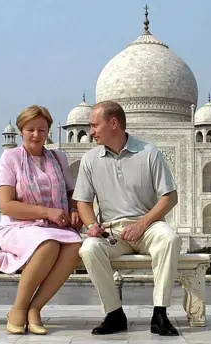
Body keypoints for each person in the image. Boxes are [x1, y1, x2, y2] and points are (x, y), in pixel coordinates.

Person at [73, 100, 182, 337]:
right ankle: (114, 314)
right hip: (112, 232)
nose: (90, 132)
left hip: (149, 226)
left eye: (94, 125)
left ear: (113, 123)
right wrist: (91, 225)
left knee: (170, 239)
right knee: (89, 249)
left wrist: (142, 224)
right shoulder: (90, 160)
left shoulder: (149, 153)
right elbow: (82, 201)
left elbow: (169, 197)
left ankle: (160, 313)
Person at [0, 105, 83, 335]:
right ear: (21, 130)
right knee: (48, 245)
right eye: (31, 129)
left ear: (49, 132)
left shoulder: (58, 157)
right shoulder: (10, 158)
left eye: (42, 130)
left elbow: (72, 194)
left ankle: (35, 308)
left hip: (53, 226)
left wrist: (73, 210)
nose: (36, 135)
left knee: (75, 246)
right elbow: (6, 205)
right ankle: (18, 309)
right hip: (18, 226)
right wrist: (47, 212)